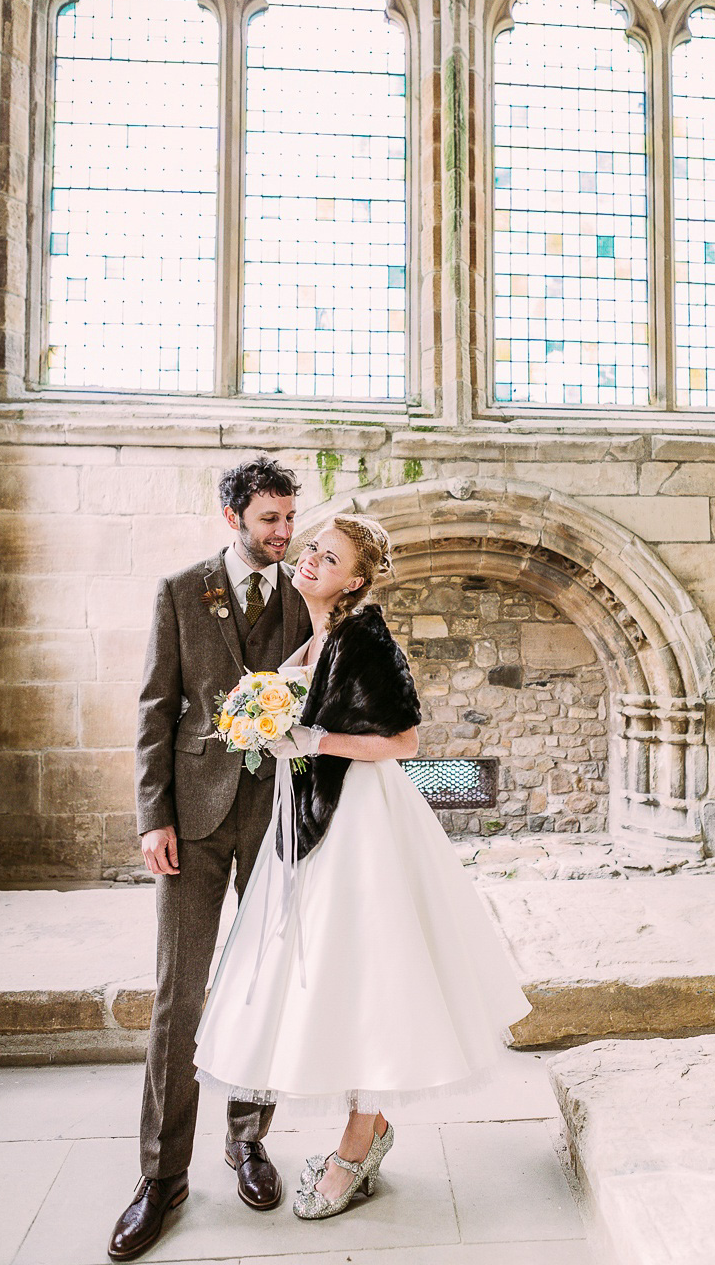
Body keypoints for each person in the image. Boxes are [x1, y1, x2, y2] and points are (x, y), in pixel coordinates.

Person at [193, 514, 532, 1220]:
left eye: (329, 556)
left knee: (370, 974)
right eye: (311, 548)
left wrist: (313, 737)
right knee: (336, 977)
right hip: (316, 822)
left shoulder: (364, 636)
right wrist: (266, 730)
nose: (311, 558)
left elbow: (404, 739)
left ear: (354, 580)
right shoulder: (318, 638)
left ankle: (356, 1142)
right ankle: (368, 1126)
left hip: (363, 824)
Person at [108, 455, 313, 1263]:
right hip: (191, 818)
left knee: (263, 986)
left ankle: (248, 1139)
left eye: (291, 518)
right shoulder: (180, 589)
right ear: (233, 518)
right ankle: (162, 1177)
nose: (286, 532)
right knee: (179, 996)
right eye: (270, 520)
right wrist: (152, 815)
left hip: (276, 816)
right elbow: (156, 707)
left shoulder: (307, 591)